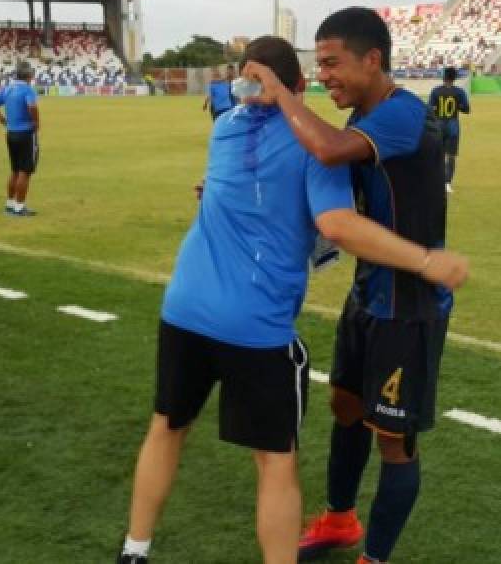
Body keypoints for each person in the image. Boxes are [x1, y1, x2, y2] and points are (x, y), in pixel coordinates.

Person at [117, 36, 469, 564]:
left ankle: (134, 551)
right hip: (255, 326)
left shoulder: (225, 131)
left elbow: (249, 190)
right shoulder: (314, 148)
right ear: (296, 83)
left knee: (166, 428)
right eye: (318, 69)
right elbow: (335, 224)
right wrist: (426, 260)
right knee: (275, 462)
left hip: (185, 308)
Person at [242, 7, 454, 564]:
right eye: (320, 65)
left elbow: (329, 151)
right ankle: (340, 520)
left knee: (394, 439)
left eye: (334, 63)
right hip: (367, 295)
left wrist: (280, 91)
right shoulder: (361, 121)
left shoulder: (405, 115)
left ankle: (375, 558)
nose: (326, 74)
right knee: (344, 404)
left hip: (408, 306)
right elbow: (327, 186)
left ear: (373, 59)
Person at [0, 62, 40, 217]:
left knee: (15, 170)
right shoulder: (28, 89)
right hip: (26, 133)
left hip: (11, 133)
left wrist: (2, 120)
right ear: (30, 76)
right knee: (25, 171)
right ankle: (19, 207)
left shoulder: (9, 88)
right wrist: (36, 123)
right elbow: (32, 107)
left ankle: (10, 205)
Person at [427, 66, 469, 193]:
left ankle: (434, 181)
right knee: (451, 155)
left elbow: (429, 110)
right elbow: (466, 109)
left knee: (436, 155)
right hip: (452, 125)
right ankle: (447, 183)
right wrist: (458, 106)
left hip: (438, 125)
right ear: (455, 78)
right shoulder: (460, 92)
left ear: (444, 77)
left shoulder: (435, 91)